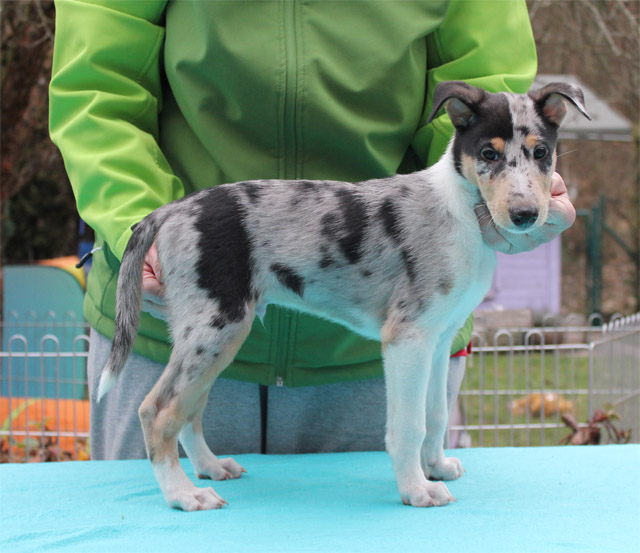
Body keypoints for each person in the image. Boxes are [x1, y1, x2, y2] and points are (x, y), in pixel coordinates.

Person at [49, 0, 575, 460]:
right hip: (172, 306)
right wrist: (140, 220)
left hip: (372, 360)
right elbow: (97, 85)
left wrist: (487, 189)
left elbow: (487, 91)